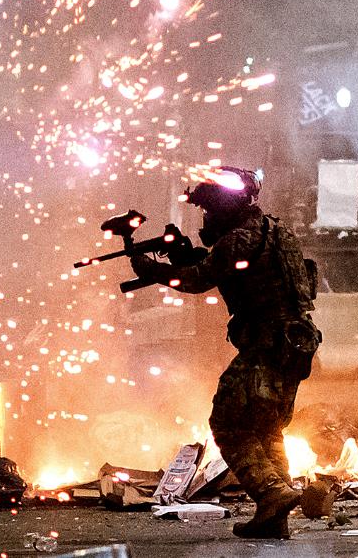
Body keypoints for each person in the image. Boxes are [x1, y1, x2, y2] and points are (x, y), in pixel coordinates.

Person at [129, 166, 322, 539]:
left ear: (225, 208)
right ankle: (274, 515)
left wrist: (151, 270)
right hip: (293, 343)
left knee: (229, 425)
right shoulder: (275, 232)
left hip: (266, 345)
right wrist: (184, 257)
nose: (207, 218)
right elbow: (229, 272)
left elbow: (198, 279)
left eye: (210, 210)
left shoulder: (238, 241)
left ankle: (271, 492)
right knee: (267, 430)